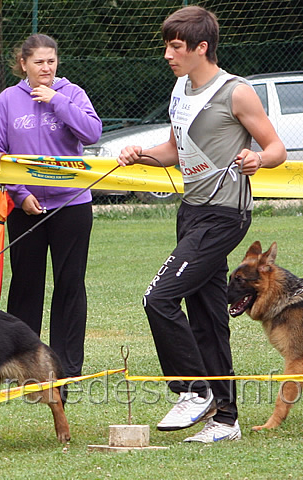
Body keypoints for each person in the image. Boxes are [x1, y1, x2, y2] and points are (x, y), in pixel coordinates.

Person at [118, 6, 286, 443]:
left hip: (224, 215)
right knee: (209, 316)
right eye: (167, 45)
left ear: (201, 48)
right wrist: (142, 153)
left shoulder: (236, 92)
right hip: (191, 211)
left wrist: (256, 159)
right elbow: (176, 149)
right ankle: (226, 421)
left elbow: (276, 149)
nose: (168, 54)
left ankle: (194, 389)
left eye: (176, 47)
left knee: (158, 298)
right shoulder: (179, 88)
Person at [0, 34, 102, 380]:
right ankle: (22, 363)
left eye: (51, 61)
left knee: (70, 284)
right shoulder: (8, 100)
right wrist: (20, 194)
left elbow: (92, 132)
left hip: (72, 204)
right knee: (25, 284)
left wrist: (57, 103)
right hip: (26, 209)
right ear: (23, 64)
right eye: (39, 62)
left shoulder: (72, 94)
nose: (46, 68)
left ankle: (65, 367)